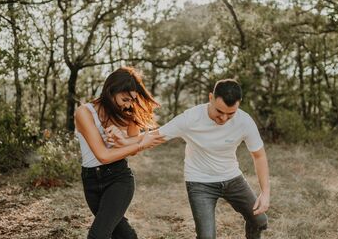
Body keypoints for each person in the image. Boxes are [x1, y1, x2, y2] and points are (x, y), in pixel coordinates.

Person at [157, 79, 270, 239]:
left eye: (230, 113)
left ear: (239, 104)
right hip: (200, 182)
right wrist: (126, 142)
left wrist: (265, 193)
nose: (223, 118)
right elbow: (154, 136)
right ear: (211, 98)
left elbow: (259, 156)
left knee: (259, 220)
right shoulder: (190, 118)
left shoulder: (245, 121)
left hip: (232, 178)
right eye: (219, 111)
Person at [75, 66, 164, 239]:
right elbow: (102, 155)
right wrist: (139, 143)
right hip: (91, 181)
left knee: (97, 235)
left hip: (118, 179)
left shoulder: (128, 114)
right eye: (125, 99)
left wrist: (123, 141)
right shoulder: (85, 113)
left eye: (132, 100)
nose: (128, 105)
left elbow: (131, 149)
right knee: (122, 234)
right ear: (110, 91)